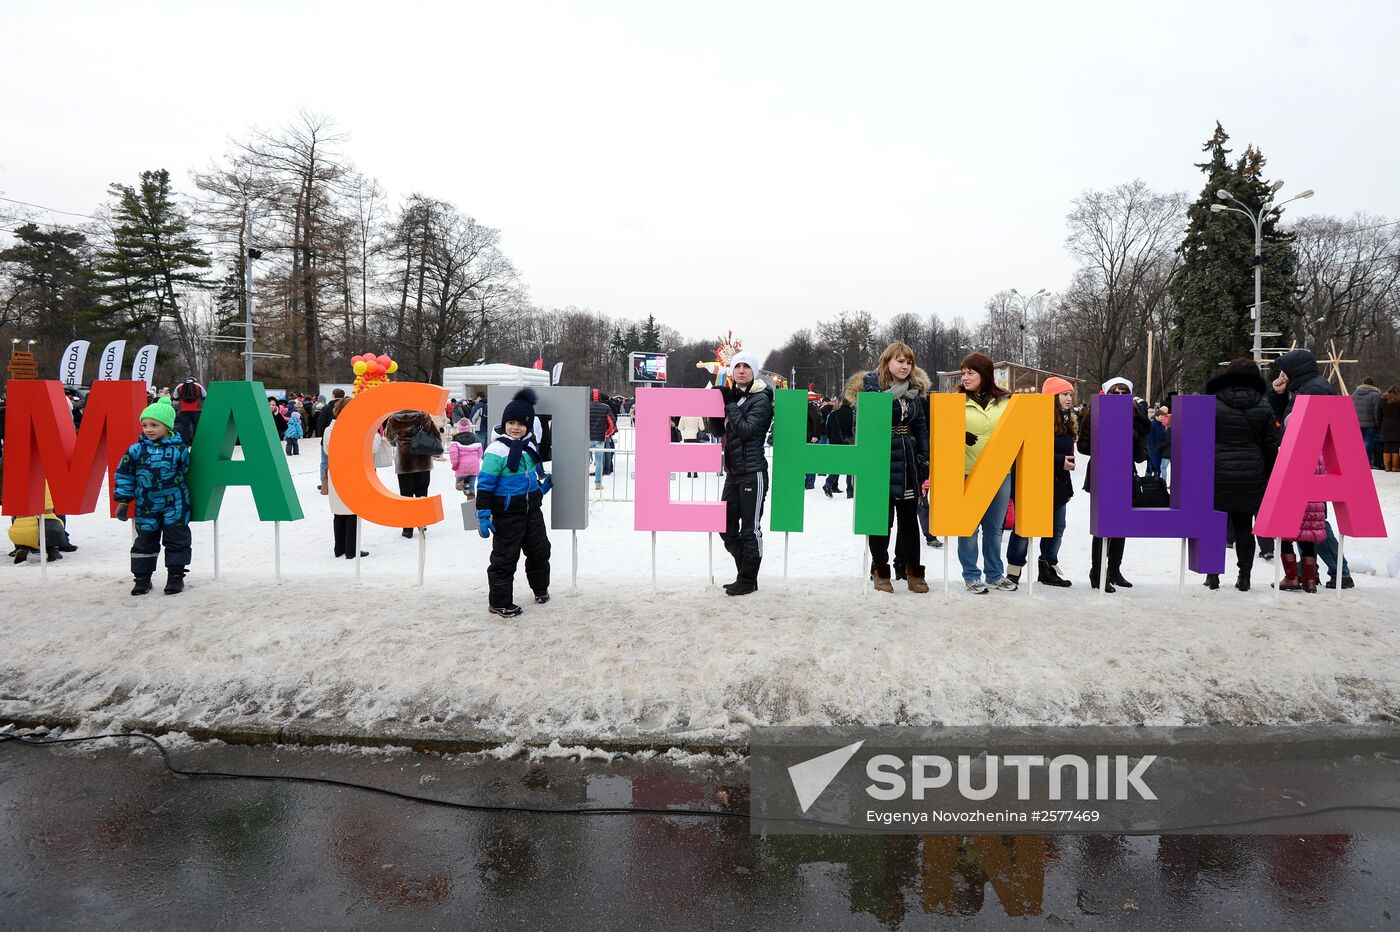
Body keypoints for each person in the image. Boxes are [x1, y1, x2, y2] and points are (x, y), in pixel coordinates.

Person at [848, 342, 930, 594]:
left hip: (907, 462)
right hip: (879, 460)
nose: (905, 366)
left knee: (909, 520)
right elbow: (859, 428)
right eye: (900, 361)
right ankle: (880, 570)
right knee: (881, 521)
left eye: (909, 362)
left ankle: (913, 570)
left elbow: (921, 428)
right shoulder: (871, 390)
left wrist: (924, 458)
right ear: (887, 362)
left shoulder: (915, 390)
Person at [1203, 359, 1281, 592]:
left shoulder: (1212, 403)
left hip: (1216, 469)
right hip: (1250, 470)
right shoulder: (1264, 405)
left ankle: (1212, 575)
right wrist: (1265, 471)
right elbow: (1271, 443)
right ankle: (1244, 577)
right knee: (1245, 525)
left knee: (1215, 525)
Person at [476, 388, 552, 617]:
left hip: (531, 513)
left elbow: (528, 480)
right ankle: (499, 602)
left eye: (521, 423)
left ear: (529, 426)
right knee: (505, 559)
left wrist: (541, 488)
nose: (516, 427)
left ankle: (540, 588)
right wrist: (483, 514)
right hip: (508, 515)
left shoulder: (529, 449)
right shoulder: (496, 450)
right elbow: (485, 484)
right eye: (511, 422)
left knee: (540, 551)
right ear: (504, 423)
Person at [1267, 349, 1335, 592]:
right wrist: (1278, 394)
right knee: (1309, 528)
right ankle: (1308, 578)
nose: (1282, 374)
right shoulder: (1308, 387)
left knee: (1286, 525)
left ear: (1296, 369)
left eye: (1285, 370)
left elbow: (1293, 424)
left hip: (1300, 466)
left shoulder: (1311, 390)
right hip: (1312, 467)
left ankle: (1296, 576)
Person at [708, 351, 774, 596]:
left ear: (754, 372)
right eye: (737, 366)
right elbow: (718, 430)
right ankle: (746, 572)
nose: (742, 370)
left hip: (753, 472)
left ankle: (747, 579)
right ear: (732, 372)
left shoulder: (761, 398)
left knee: (750, 529)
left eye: (747, 366)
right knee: (724, 525)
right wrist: (715, 407)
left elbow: (747, 430)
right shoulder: (734, 397)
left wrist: (729, 404)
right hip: (734, 472)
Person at [1077, 377, 1150, 593]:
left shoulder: (1136, 415)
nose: (1119, 396)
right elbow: (1083, 445)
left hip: (1126, 473)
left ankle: (1114, 570)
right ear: (1106, 395)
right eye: (1114, 392)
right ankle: (1097, 572)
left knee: (1121, 525)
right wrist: (1107, 445)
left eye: (1123, 393)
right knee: (1103, 526)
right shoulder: (1094, 414)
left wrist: (1137, 446)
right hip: (1103, 472)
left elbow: (1141, 452)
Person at [114, 396, 191, 595]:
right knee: (144, 541)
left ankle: (175, 576)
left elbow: (185, 470)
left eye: (154, 425)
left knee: (177, 539)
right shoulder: (135, 450)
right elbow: (124, 474)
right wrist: (123, 500)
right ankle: (142, 578)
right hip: (146, 504)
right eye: (145, 425)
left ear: (167, 426)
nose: (148, 429)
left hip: (175, 504)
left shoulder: (179, 450)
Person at [1005, 376, 1077, 588]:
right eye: (1064, 394)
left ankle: (1048, 567)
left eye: (1070, 394)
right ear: (1052, 397)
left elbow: (1067, 457)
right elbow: (1030, 450)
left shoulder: (1067, 421)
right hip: (1033, 482)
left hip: (1058, 485)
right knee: (1024, 529)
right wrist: (1059, 461)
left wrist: (1068, 485)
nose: (1069, 398)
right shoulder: (1036, 419)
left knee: (1057, 527)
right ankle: (1013, 571)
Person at [953, 352, 1014, 593]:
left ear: (985, 374)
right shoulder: (957, 401)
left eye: (971, 373)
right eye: (963, 373)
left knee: (994, 527)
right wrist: (957, 434)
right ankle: (971, 574)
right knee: (968, 526)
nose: (965, 377)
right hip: (968, 471)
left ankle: (994, 573)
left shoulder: (1005, 401)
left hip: (1000, 471)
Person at [320, 399, 368, 559]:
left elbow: (326, 450)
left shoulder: (329, 430)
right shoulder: (354, 429)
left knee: (339, 512)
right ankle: (351, 549)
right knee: (352, 510)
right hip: (351, 472)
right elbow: (369, 448)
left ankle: (339, 548)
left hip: (336, 472)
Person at [384, 408, 438, 539]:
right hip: (422, 461)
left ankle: (407, 529)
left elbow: (389, 437)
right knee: (422, 493)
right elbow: (435, 434)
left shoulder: (393, 418)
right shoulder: (424, 417)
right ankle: (422, 523)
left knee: (406, 496)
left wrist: (399, 442)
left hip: (404, 462)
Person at [822, 396, 855, 499]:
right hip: (849, 444)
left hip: (835, 443)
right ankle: (850, 491)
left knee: (836, 465)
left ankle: (828, 483)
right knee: (850, 467)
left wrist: (832, 439)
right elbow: (854, 430)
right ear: (850, 404)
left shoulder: (833, 414)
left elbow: (828, 430)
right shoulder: (853, 415)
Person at [449, 418, 483, 499]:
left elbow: (453, 453)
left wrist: (455, 463)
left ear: (459, 428)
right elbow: (480, 452)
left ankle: (464, 486)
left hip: (461, 466)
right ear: (470, 427)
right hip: (474, 465)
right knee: (472, 486)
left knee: (458, 486)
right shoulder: (476, 438)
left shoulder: (455, 439)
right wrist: (475, 459)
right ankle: (470, 503)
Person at [1353, 377, 1383, 469]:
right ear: (1372, 384)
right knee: (1368, 443)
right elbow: (1376, 411)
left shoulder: (1354, 394)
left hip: (1357, 423)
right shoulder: (1375, 395)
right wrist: (1378, 423)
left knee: (1359, 443)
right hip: (1370, 423)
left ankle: (1358, 461)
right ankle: (1367, 462)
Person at [588, 388, 615, 491]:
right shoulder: (605, 407)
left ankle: (581, 482)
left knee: (584, 461)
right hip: (600, 438)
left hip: (586, 438)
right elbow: (612, 423)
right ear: (600, 397)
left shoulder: (585, 406)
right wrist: (607, 433)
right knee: (599, 461)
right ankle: (598, 484)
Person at [172, 377, 206, 446]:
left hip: (184, 410)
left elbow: (175, 396)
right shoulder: (198, 386)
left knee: (184, 426)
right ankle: (197, 442)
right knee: (196, 425)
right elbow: (205, 395)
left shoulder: (180, 386)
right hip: (197, 409)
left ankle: (185, 442)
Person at [1378, 385, 1400, 472]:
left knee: (1387, 445)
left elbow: (1378, 415)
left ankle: (1387, 467)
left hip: (1386, 425)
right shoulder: (1399, 401)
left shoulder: (1382, 401)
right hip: (1398, 425)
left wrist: (1379, 426)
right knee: (1395, 445)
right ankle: (1395, 467)